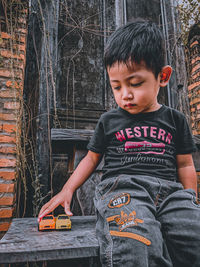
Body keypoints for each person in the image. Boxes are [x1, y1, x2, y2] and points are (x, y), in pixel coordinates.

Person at [38, 20, 200, 267]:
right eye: (116, 86)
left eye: (135, 83)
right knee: (134, 238)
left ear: (163, 76)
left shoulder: (175, 120)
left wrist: (191, 200)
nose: (125, 94)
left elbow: (186, 165)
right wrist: (67, 189)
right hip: (125, 191)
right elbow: (91, 158)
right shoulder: (109, 120)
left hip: (171, 194)